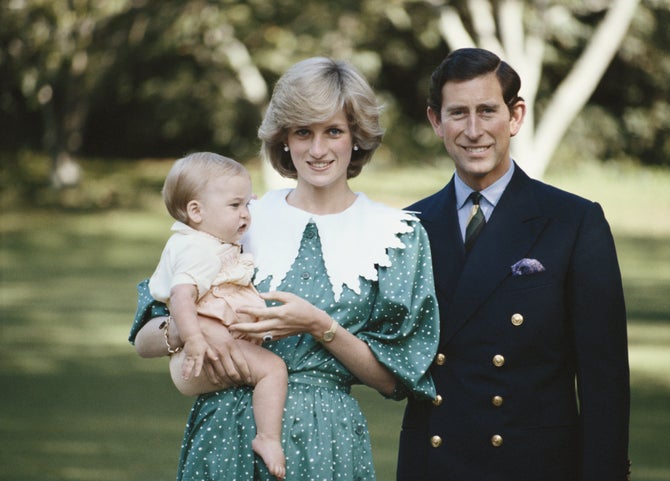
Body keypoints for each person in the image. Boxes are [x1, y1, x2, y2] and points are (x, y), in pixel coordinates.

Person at [129, 57, 440, 481]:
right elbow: (145, 338)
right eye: (302, 132)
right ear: (284, 140)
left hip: (325, 438)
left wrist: (319, 325)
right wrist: (190, 330)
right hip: (222, 433)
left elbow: (394, 381)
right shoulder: (238, 219)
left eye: (333, 131)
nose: (317, 149)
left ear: (357, 137)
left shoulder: (395, 236)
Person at [397, 48, 631, 481]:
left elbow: (604, 377)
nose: (473, 131)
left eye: (487, 111)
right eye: (457, 113)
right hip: (435, 464)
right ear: (435, 121)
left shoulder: (574, 222)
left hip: (533, 465)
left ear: (516, 116)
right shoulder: (409, 227)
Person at [147, 151, 287, 479]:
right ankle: (267, 438)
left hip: (200, 356)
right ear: (196, 211)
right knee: (273, 369)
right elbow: (182, 296)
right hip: (200, 355)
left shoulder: (201, 241)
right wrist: (194, 338)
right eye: (235, 205)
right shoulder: (197, 250)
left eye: (247, 205)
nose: (245, 215)